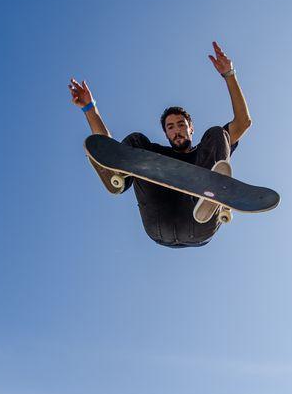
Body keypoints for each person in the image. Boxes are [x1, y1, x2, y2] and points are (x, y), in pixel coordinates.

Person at [70, 41, 254, 248]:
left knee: (218, 133)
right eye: (171, 127)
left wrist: (230, 74)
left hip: (200, 222)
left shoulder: (206, 151)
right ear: (166, 133)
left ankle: (210, 194)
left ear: (190, 128)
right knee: (136, 141)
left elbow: (243, 122)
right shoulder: (155, 154)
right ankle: (115, 177)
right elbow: (111, 151)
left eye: (181, 125)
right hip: (159, 223)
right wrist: (89, 108)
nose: (176, 131)